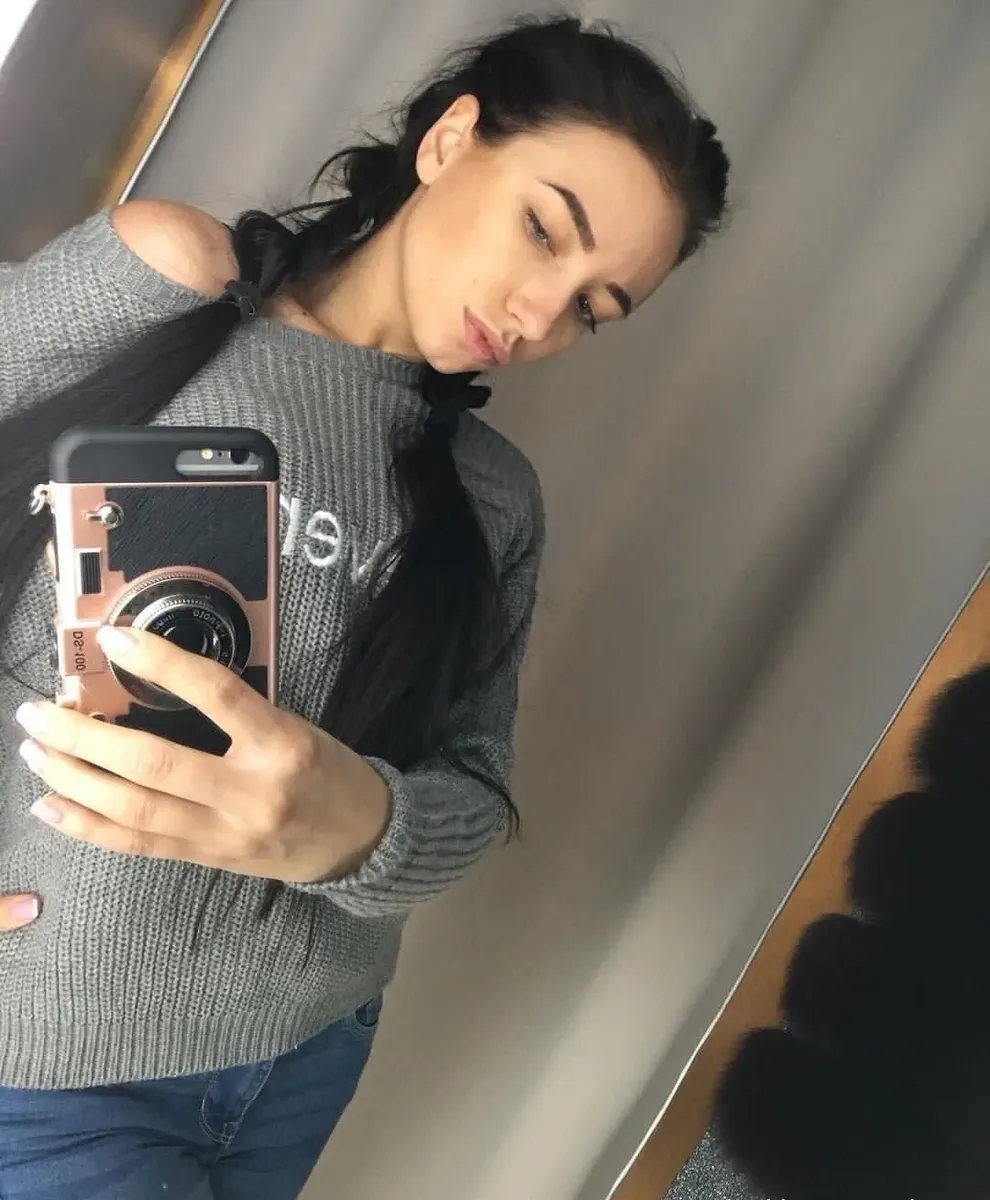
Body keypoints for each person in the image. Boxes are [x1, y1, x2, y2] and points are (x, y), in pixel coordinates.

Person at [0, 13, 729, 1199]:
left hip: (302, 1054)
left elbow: (474, 785)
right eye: (543, 229)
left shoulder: (491, 498)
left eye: (595, 308)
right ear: (449, 141)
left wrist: (360, 825)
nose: (540, 315)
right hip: (51, 1062)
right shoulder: (166, 278)